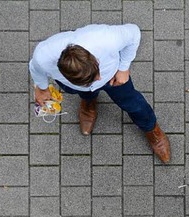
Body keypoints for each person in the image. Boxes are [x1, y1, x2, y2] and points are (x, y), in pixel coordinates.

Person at [29, 24, 170, 163]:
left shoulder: (105, 38)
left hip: (114, 77)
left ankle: (152, 129)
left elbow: (134, 33)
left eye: (96, 72)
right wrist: (42, 88)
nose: (99, 79)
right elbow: (35, 68)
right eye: (92, 81)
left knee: (133, 104)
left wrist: (123, 68)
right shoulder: (43, 56)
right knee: (85, 93)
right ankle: (88, 103)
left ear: (94, 59)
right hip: (76, 86)